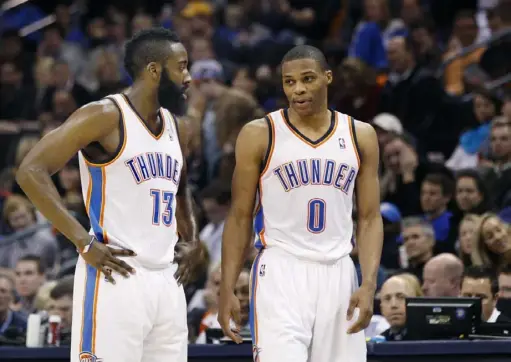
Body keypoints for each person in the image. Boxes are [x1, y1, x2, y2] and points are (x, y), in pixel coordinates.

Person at [16, 28, 206, 362]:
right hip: (117, 274)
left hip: (166, 279)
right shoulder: (104, 115)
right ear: (154, 71)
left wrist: (190, 237)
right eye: (182, 66)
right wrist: (82, 241)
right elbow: (30, 170)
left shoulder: (177, 126)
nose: (188, 77)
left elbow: (180, 187)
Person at [218, 45, 383, 362]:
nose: (299, 89)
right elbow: (239, 216)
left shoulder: (360, 135)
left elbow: (370, 218)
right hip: (281, 270)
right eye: (289, 82)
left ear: (327, 77)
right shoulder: (259, 134)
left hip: (339, 272)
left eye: (308, 79)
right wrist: (226, 287)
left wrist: (369, 284)